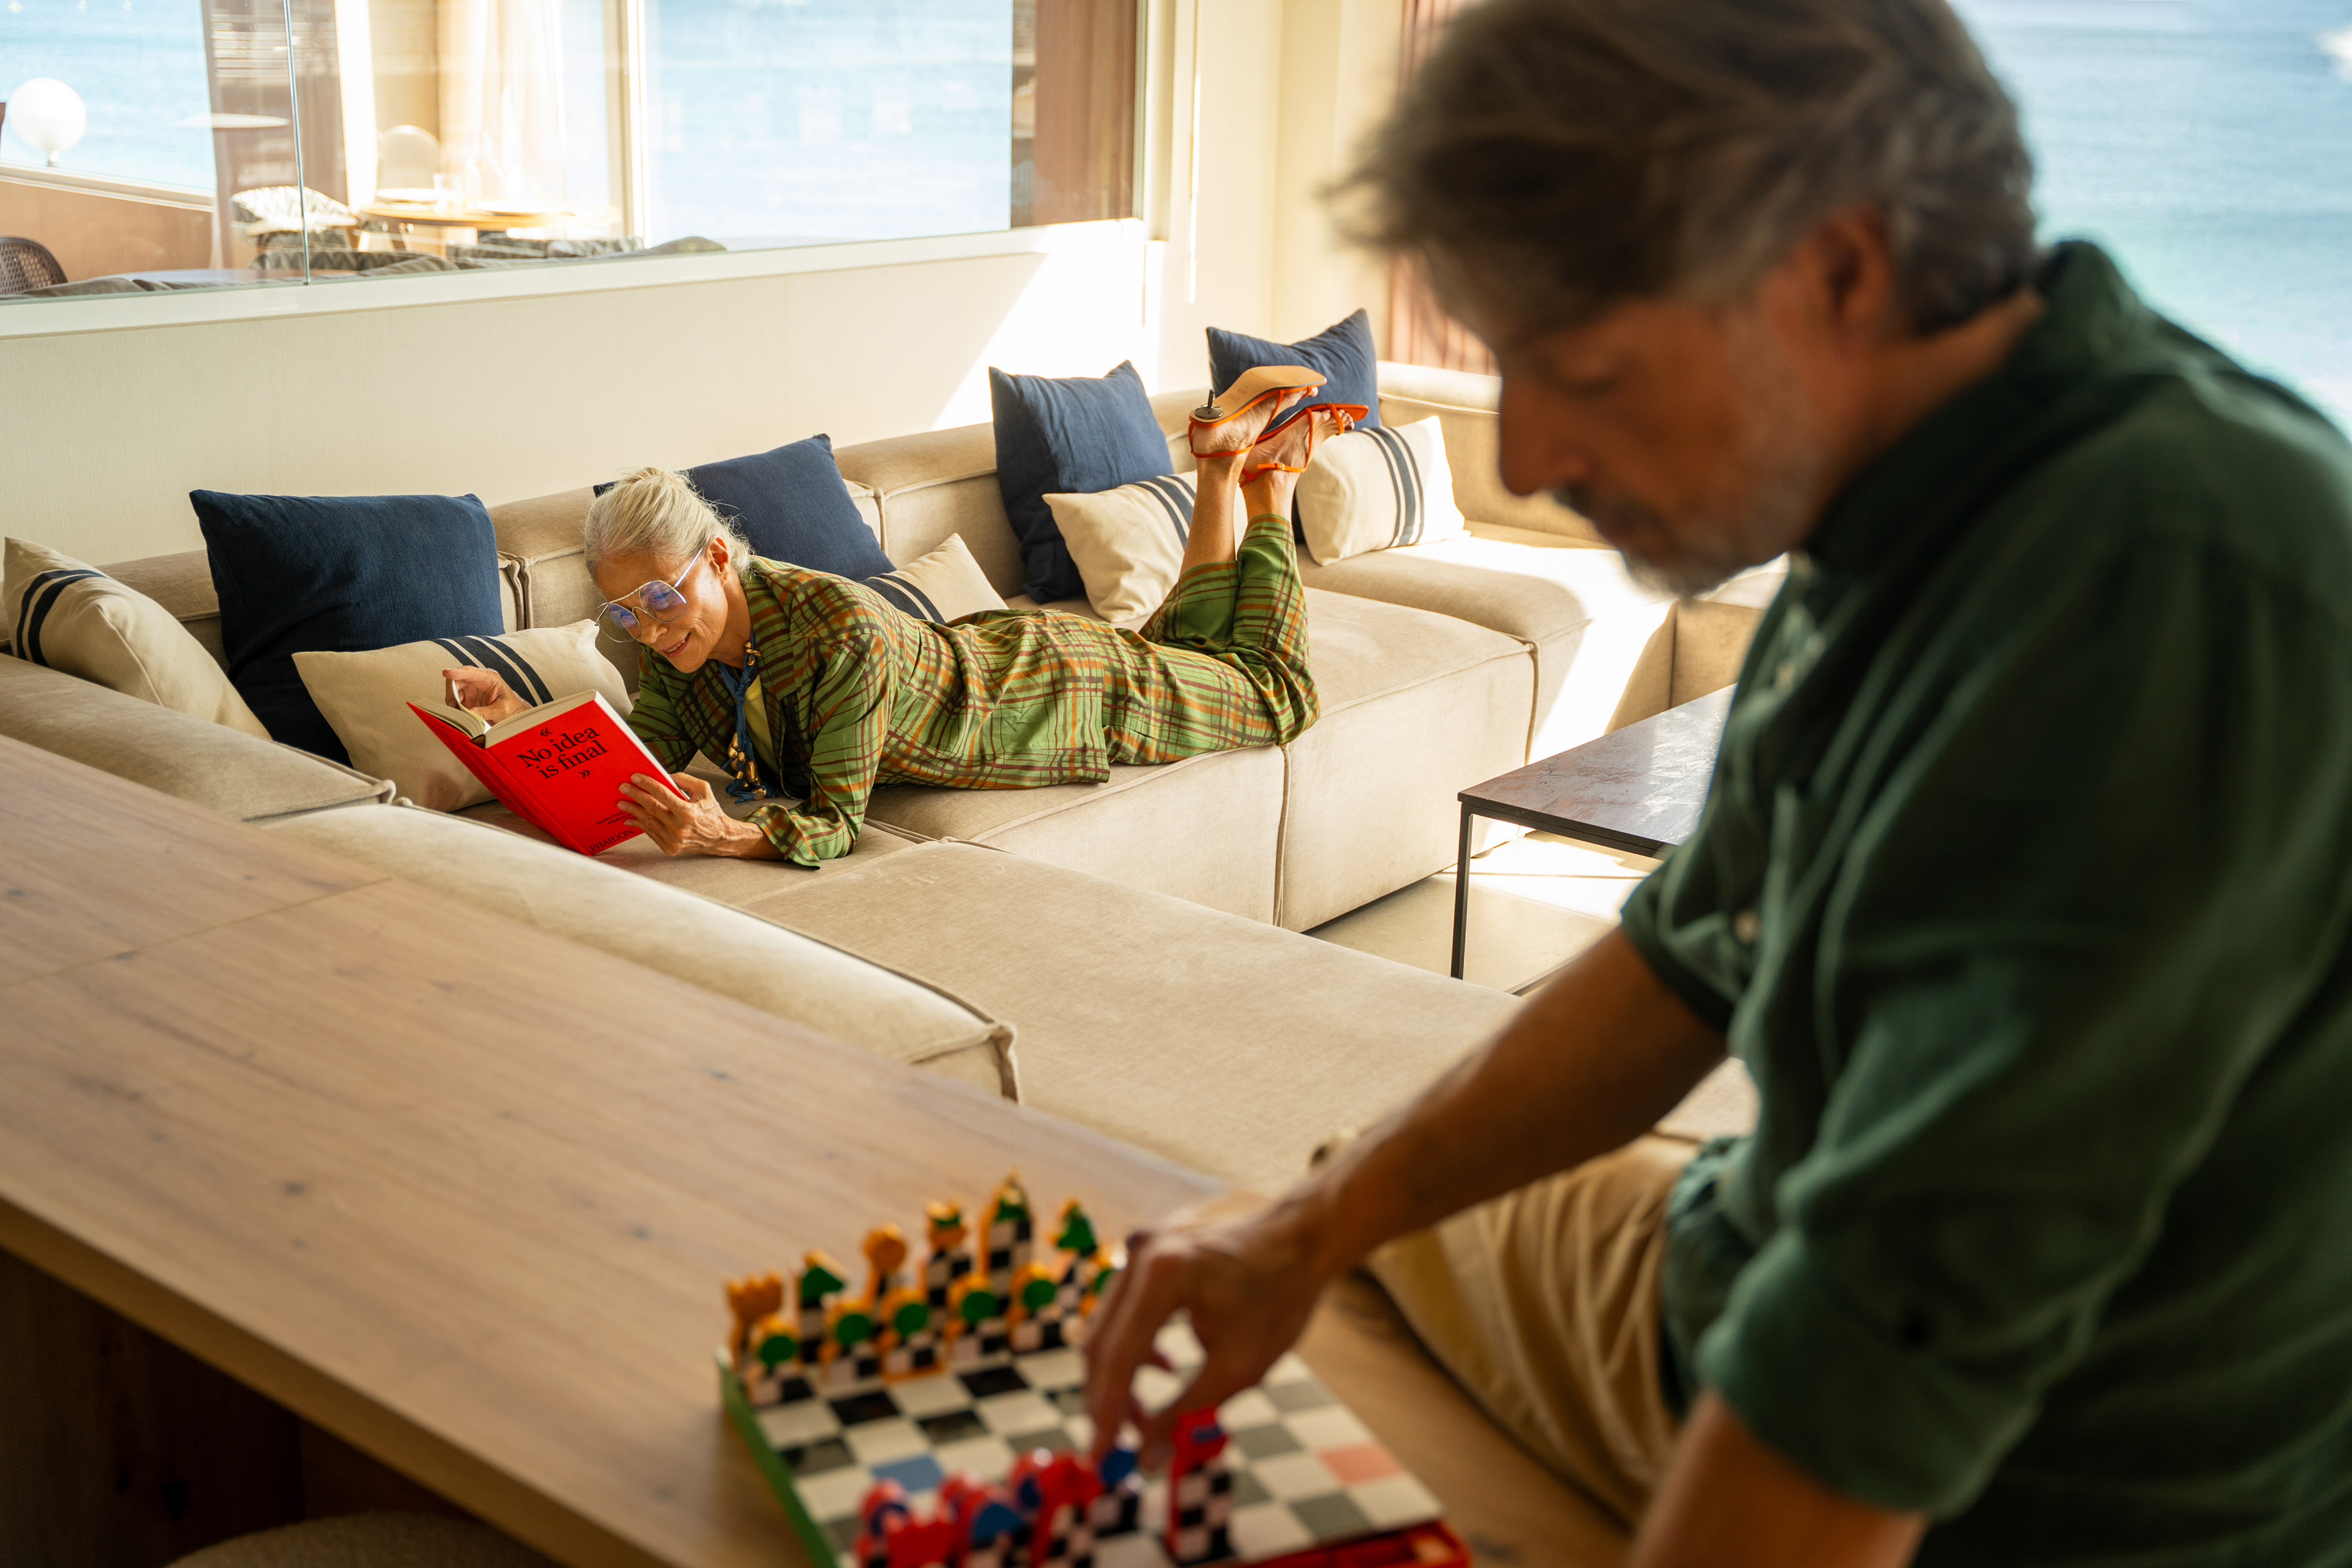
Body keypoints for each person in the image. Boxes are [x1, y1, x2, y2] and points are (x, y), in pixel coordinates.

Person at [1080, 3, 2352, 1566]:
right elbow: (1691, 947)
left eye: (1582, 366)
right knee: (1314, 1218)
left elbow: (1867, 1364)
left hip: (2023, 1500)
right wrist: (1311, 1224)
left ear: (1839, 263)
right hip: (1723, 1278)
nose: (1530, 451)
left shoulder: (2162, 592)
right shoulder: (1909, 480)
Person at [442, 370, 1352, 864]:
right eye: (623, 613)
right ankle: (1223, 467)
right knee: (1193, 646)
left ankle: (1272, 488)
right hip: (995, 656)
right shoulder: (680, 655)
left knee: (1272, 693)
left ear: (719, 557)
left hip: (1054, 693)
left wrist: (728, 833)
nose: (645, 627)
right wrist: (514, 726)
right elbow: (632, 763)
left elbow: (834, 822)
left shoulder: (831, 630)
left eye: (658, 598)